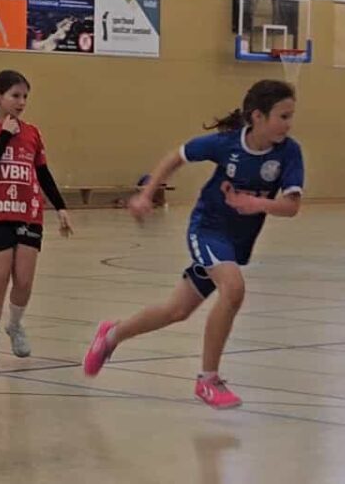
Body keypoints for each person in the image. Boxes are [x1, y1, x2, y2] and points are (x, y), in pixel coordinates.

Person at [84, 80, 303, 410]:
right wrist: (146, 194)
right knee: (233, 289)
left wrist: (256, 204)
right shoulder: (226, 144)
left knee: (177, 310)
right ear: (258, 116)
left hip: (237, 242)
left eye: (291, 116)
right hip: (207, 229)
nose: (289, 124)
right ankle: (208, 380)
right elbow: (177, 156)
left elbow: (291, 206)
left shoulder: (289, 152)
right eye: (283, 116)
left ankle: (111, 335)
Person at [0, 70, 72, 372]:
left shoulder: (33, 133)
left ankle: (14, 325)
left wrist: (61, 207)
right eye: (15, 95)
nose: (21, 102)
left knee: (24, 281)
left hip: (29, 213)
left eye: (25, 96)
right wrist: (4, 134)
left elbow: (42, 172)